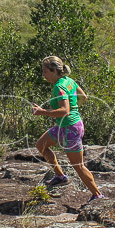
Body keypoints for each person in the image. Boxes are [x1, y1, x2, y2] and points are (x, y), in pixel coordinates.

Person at [32, 56, 105, 201]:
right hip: (65, 126)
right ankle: (60, 176)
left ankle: (97, 195)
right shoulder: (69, 81)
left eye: (45, 71)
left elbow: (64, 111)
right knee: (41, 145)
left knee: (79, 166)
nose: (43, 74)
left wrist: (42, 112)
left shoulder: (59, 87)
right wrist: (75, 108)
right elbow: (83, 96)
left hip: (70, 129)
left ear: (54, 71)